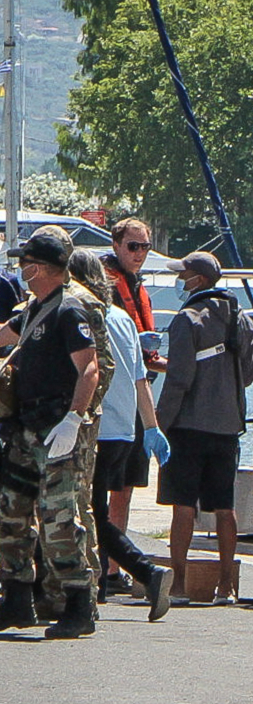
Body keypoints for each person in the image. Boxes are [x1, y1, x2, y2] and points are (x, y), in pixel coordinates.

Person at [0, 233, 100, 638]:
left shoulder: (69, 310)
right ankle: (18, 598)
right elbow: (3, 334)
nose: (22, 271)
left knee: (59, 519)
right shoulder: (34, 310)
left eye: (25, 263)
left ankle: (80, 604)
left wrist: (73, 420)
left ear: (39, 267)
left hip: (56, 428)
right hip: (25, 427)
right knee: (11, 513)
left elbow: (89, 369)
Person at [68, 249, 174, 622]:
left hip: (89, 425)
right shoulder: (122, 318)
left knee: (88, 510)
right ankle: (96, 585)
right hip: (121, 429)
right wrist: (151, 426)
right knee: (94, 507)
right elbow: (139, 376)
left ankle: (142, 570)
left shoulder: (74, 313)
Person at [156, 251, 253, 605]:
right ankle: (226, 586)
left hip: (188, 425)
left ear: (196, 279)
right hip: (228, 425)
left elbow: (180, 379)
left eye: (183, 274)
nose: (180, 280)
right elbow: (247, 373)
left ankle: (180, 584)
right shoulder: (240, 317)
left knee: (183, 505)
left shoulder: (186, 319)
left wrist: (158, 423)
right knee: (223, 506)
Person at [101, 217, 166, 593]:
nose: (140, 253)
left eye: (144, 247)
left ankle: (111, 569)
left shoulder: (137, 286)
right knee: (100, 491)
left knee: (124, 489)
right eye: (133, 246)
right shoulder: (106, 286)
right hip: (112, 403)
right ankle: (99, 568)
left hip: (135, 398)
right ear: (117, 246)